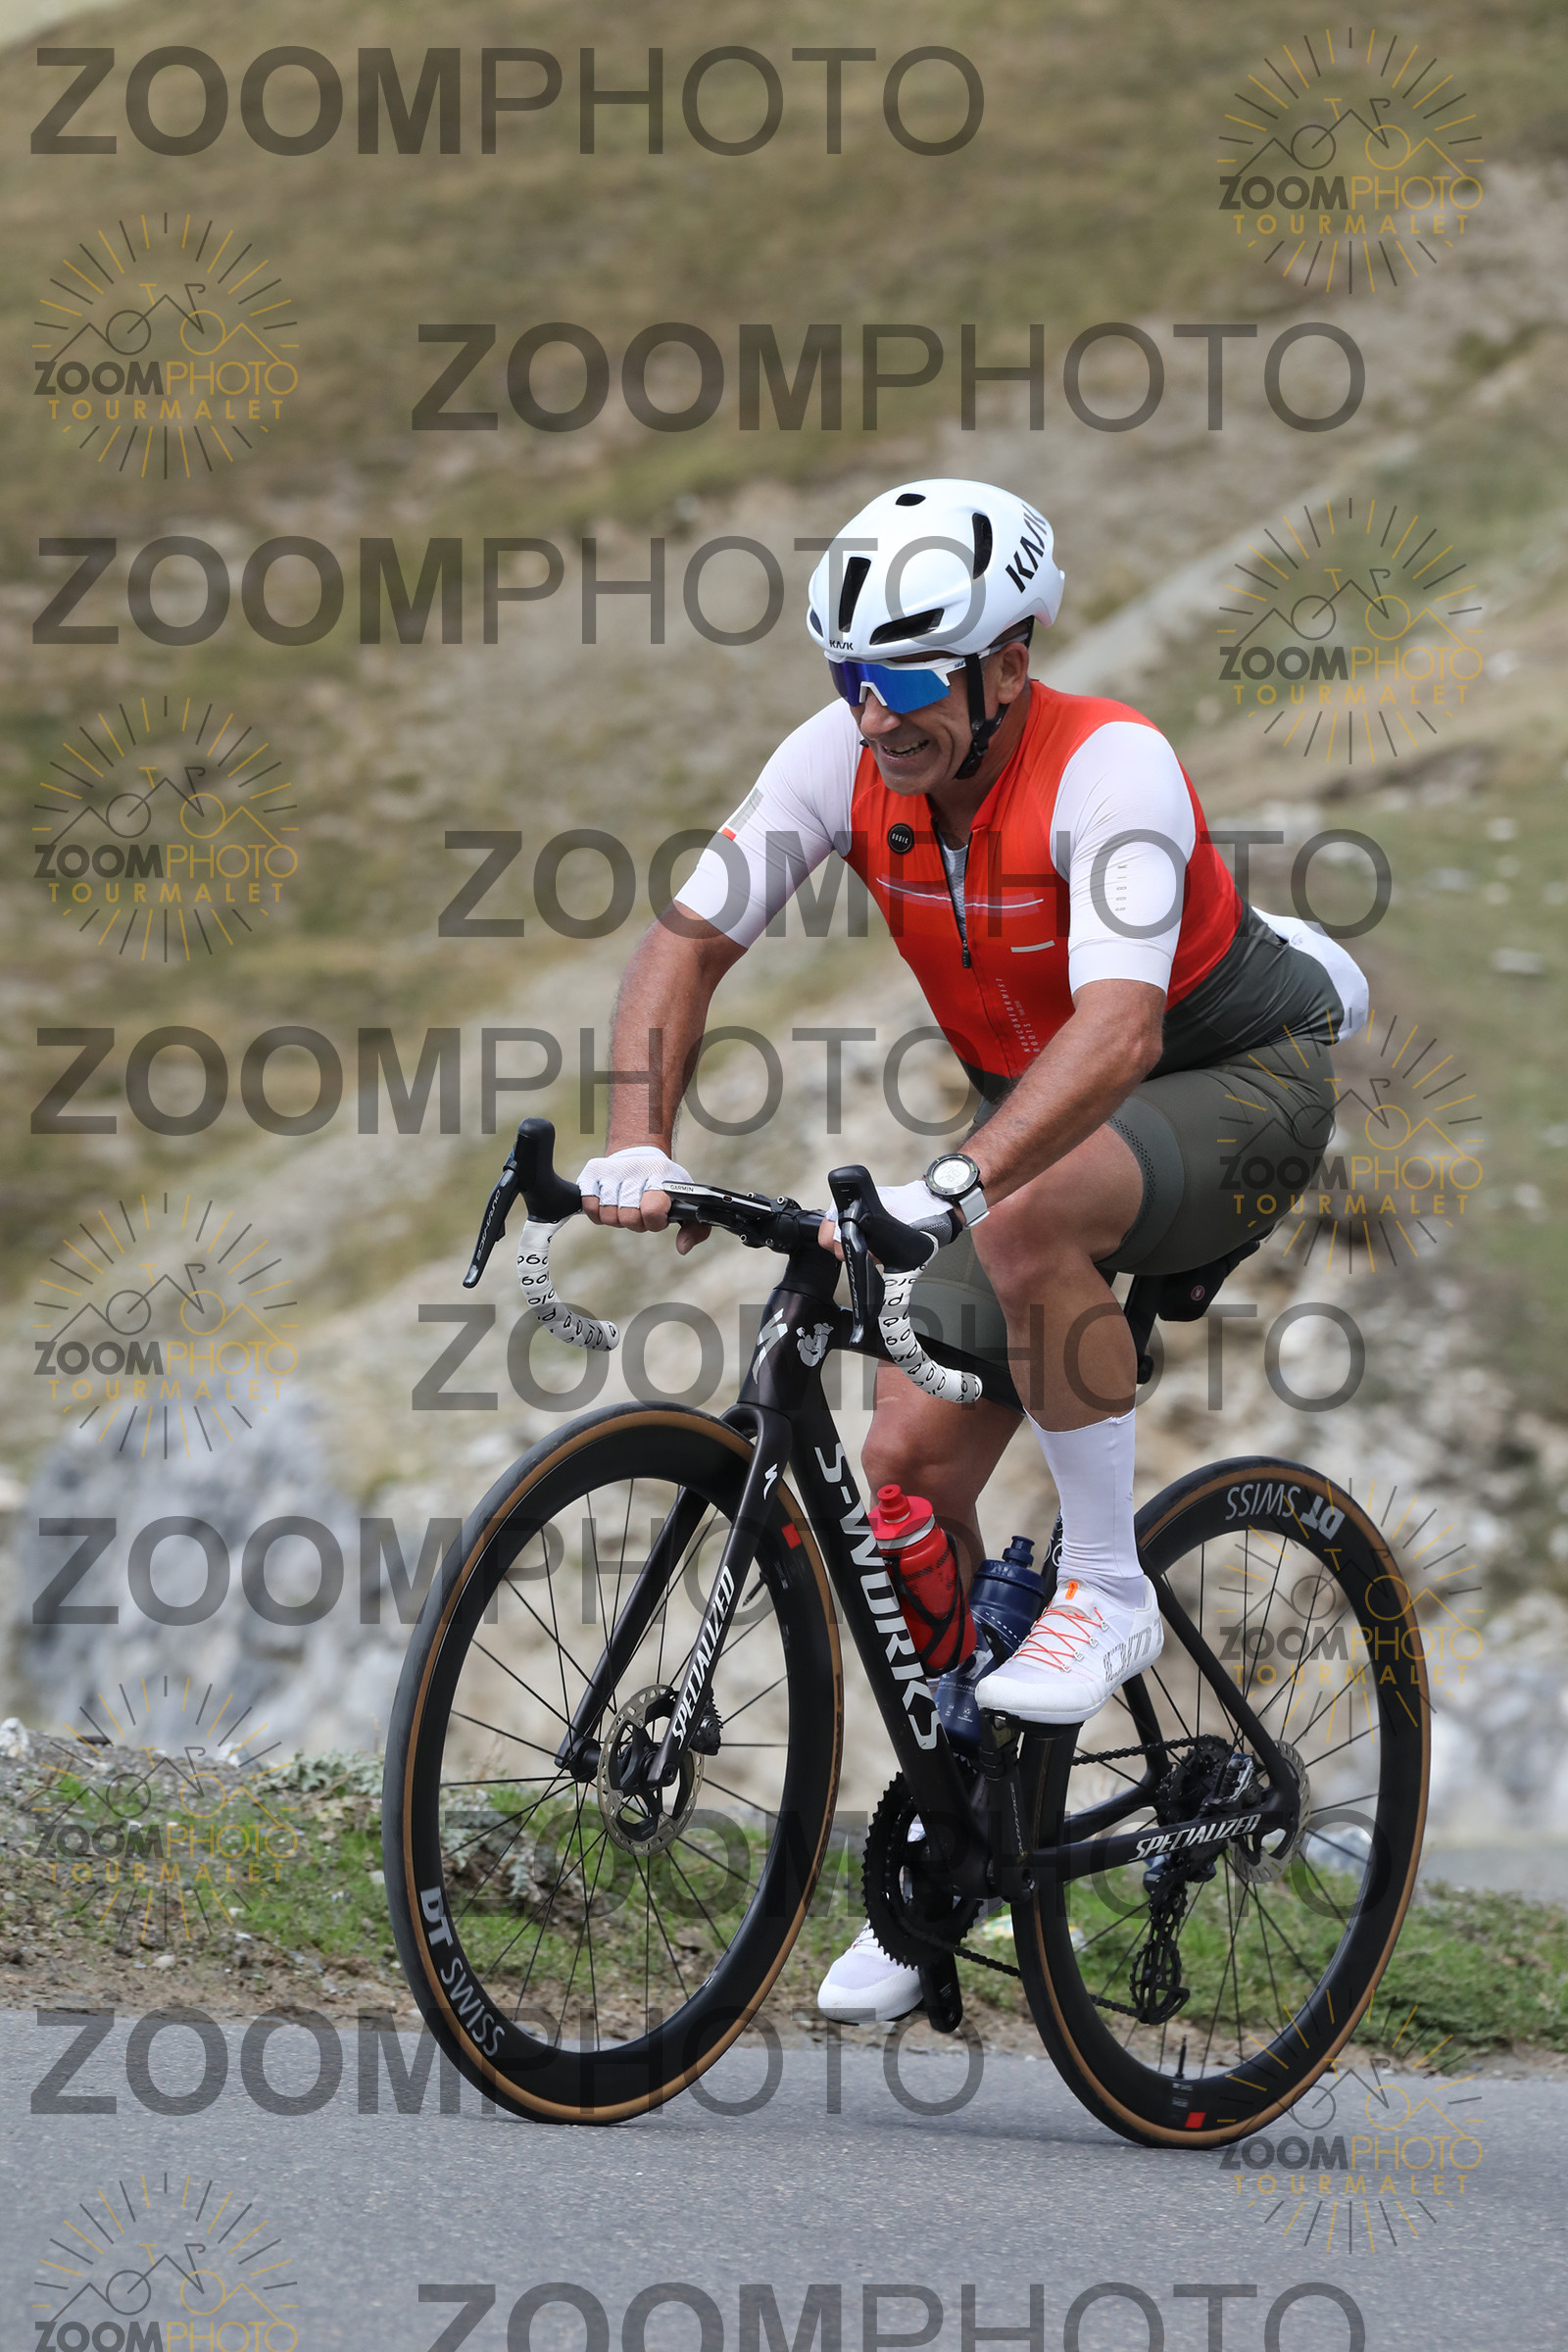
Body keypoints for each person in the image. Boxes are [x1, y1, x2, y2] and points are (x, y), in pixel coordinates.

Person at [573, 477, 1366, 2024]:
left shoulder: (1111, 764)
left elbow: (1121, 1030)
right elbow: (686, 944)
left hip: (1232, 1079)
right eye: (849, 677)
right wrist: (638, 1139)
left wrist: (952, 1182)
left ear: (1010, 662)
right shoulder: (842, 757)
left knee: (1019, 1216)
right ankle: (964, 1828)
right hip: (1045, 1117)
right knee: (904, 1473)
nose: (876, 714)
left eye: (909, 677)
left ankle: (1110, 1585)